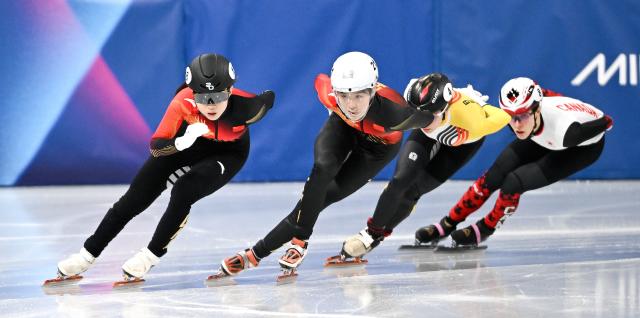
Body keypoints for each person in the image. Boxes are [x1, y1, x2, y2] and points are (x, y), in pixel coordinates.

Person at [50, 53, 275, 283]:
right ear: (193, 92)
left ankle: (149, 257)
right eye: (203, 97)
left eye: (217, 96)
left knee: (183, 191)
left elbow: (268, 99)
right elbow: (156, 148)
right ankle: (86, 255)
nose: (210, 105)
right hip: (186, 143)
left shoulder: (248, 107)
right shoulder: (182, 102)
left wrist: (265, 97)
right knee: (133, 199)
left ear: (229, 91)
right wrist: (180, 142)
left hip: (227, 154)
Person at [216, 51, 437, 279]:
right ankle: (298, 243)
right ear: (335, 92)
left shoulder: (395, 114)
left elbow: (434, 119)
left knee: (323, 197)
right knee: (322, 169)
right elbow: (320, 80)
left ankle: (254, 254)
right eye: (344, 96)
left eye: (359, 96)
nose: (351, 105)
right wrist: (336, 108)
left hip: (376, 148)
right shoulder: (328, 94)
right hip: (342, 127)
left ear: (372, 92)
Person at [414, 77, 613, 247]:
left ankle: (484, 228)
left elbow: (607, 122)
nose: (516, 124)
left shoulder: (566, 132)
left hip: (581, 147)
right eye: (511, 117)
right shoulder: (527, 115)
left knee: (513, 183)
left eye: (522, 115)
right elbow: (542, 92)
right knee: (493, 176)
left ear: (537, 109)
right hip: (540, 132)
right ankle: (447, 224)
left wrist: (604, 121)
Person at [338, 73, 511, 259]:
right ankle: (371, 233)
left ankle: (379, 235)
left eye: (429, 114)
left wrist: (483, 107)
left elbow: (504, 116)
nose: (424, 119)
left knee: (413, 190)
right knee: (400, 180)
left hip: (462, 141)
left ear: (444, 107)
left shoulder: (472, 122)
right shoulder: (413, 90)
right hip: (429, 136)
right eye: (418, 112)